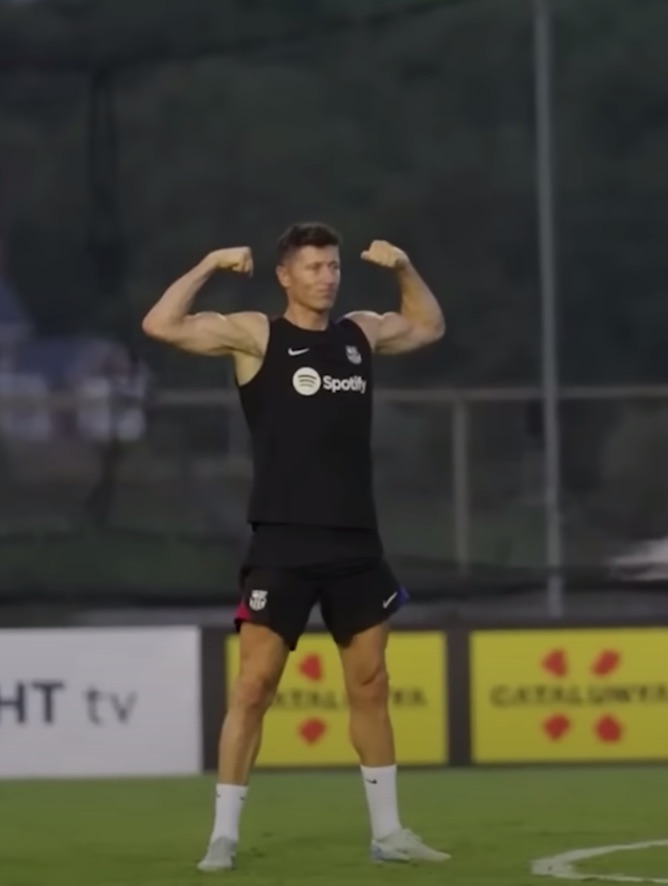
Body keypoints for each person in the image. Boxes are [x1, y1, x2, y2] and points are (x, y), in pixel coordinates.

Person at [141, 222, 449, 870]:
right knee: (253, 687)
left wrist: (404, 266)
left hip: (356, 542)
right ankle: (223, 834)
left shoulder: (359, 333)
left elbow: (427, 327)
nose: (327, 277)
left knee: (370, 683)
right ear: (286, 276)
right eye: (313, 267)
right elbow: (161, 325)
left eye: (333, 266)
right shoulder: (257, 335)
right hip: (281, 542)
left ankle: (388, 833)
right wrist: (207, 262)